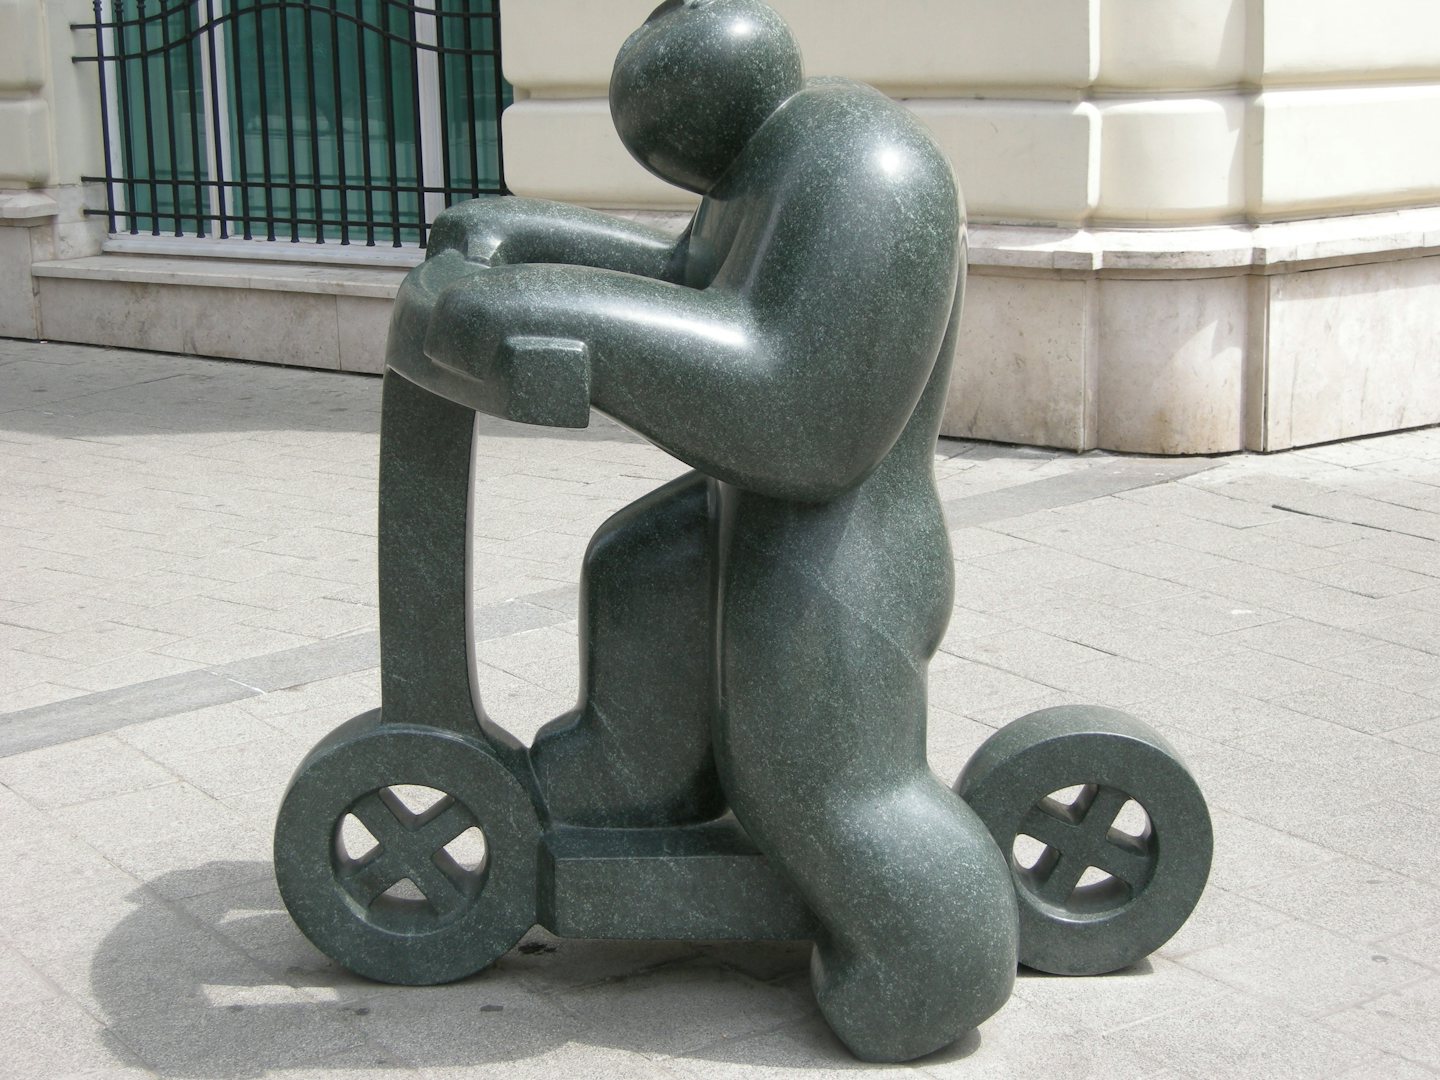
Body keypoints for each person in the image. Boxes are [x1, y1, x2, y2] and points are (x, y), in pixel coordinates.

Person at [386, 0, 1017, 1060]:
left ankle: (937, 947)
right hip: (749, 518)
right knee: (642, 564)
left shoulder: (868, 167)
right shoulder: (774, 162)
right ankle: (632, 792)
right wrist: (517, 237)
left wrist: (553, 313)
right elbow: (681, 280)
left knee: (814, 782)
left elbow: (803, 409)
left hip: (832, 560)